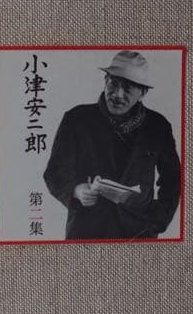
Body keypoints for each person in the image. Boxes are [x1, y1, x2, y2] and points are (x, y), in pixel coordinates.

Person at [42, 50, 181, 241]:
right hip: (86, 231)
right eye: (113, 83)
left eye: (128, 88)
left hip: (139, 233)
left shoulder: (158, 126)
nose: (117, 94)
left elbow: (173, 179)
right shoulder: (76, 119)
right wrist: (76, 190)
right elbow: (54, 173)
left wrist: (158, 219)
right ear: (105, 80)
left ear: (142, 93)